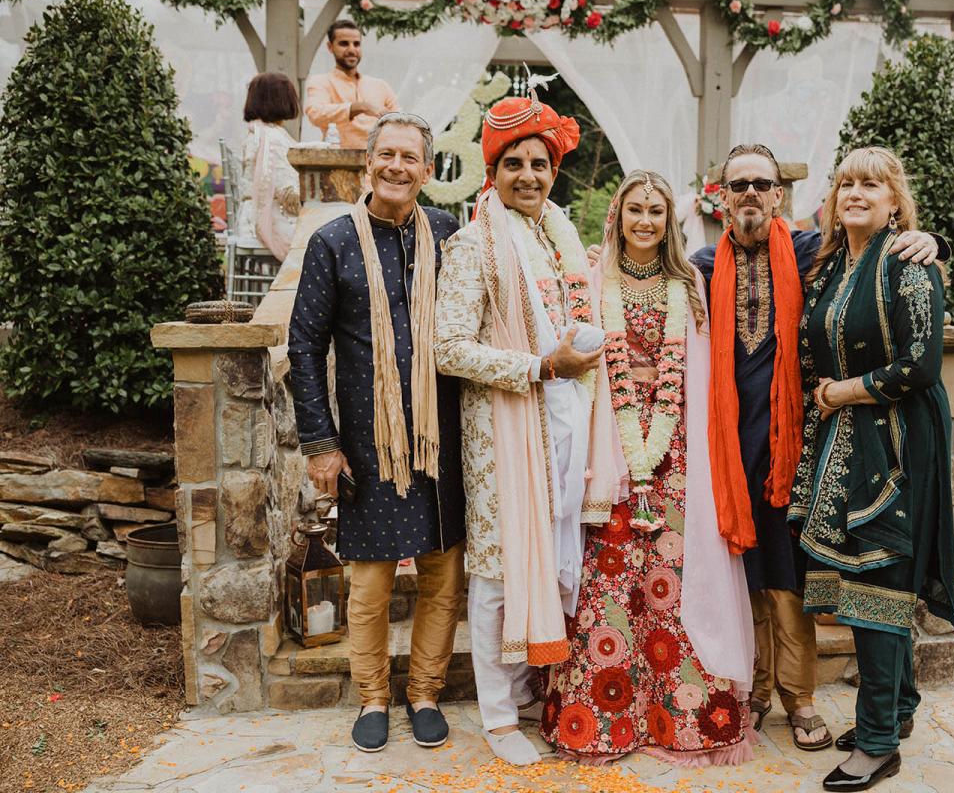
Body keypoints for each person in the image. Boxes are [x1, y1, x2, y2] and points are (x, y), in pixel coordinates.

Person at [691, 144, 948, 752]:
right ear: (721, 197)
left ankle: (800, 698)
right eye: (738, 185)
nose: (750, 194)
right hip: (725, 444)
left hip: (794, 444)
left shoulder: (813, 253)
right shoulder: (699, 266)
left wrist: (932, 241)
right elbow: (637, 270)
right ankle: (751, 690)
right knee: (742, 570)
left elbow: (886, 252)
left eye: (761, 183)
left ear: (778, 194)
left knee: (788, 573)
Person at [539, 171, 755, 765]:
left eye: (656, 211)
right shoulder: (592, 280)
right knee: (610, 575)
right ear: (618, 216)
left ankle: (680, 719)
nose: (645, 221)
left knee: (673, 577)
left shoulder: (689, 285)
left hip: (675, 454)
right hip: (609, 448)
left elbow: (702, 374)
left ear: (669, 221)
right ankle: (603, 721)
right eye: (635, 209)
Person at [435, 91, 616, 766]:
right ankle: (499, 716)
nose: (529, 176)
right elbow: (447, 348)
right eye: (514, 164)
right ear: (493, 171)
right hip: (501, 434)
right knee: (496, 573)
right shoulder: (473, 245)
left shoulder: (553, 238)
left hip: (561, 431)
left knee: (547, 561)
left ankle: (528, 691)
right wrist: (541, 367)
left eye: (540, 164)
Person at [288, 112, 466, 754]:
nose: (396, 167)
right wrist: (321, 442)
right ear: (368, 164)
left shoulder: (448, 234)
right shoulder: (332, 243)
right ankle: (372, 697)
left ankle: (425, 693)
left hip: (443, 436)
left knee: (443, 574)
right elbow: (304, 346)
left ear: (426, 170)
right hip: (370, 441)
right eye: (386, 155)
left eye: (409, 157)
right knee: (370, 581)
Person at [788, 146, 954, 791]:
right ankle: (900, 708)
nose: (855, 193)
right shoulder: (831, 262)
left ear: (894, 202)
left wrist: (841, 392)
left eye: (871, 185)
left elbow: (921, 364)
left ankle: (879, 743)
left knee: (878, 578)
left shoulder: (908, 262)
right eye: (846, 183)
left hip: (896, 436)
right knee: (862, 574)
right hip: (848, 436)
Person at [304, 19, 398, 150]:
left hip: (377, 159)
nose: (352, 50)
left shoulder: (380, 86)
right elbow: (316, 114)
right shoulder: (321, 82)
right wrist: (359, 107)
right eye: (344, 44)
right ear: (330, 47)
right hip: (337, 160)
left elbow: (399, 123)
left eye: (356, 44)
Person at [239, 72, 301, 260]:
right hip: (266, 220)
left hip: (248, 217)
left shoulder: (257, 132)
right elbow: (286, 191)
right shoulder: (272, 138)